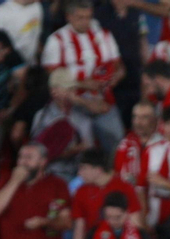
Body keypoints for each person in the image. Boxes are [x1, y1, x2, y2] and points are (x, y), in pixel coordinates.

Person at [41, 0, 126, 152]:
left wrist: (116, 77)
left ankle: (112, 173)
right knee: (80, 146)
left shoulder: (104, 35)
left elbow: (118, 66)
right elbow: (52, 76)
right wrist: (83, 84)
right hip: (71, 102)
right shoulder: (57, 40)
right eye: (80, 17)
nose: (85, 22)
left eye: (88, 17)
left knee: (117, 140)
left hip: (102, 99)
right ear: (69, 17)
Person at [0, 142, 72, 239]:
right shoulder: (6, 180)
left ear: (43, 161)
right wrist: (15, 181)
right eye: (21, 157)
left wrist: (44, 222)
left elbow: (67, 222)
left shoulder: (57, 184)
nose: (23, 162)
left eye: (29, 157)